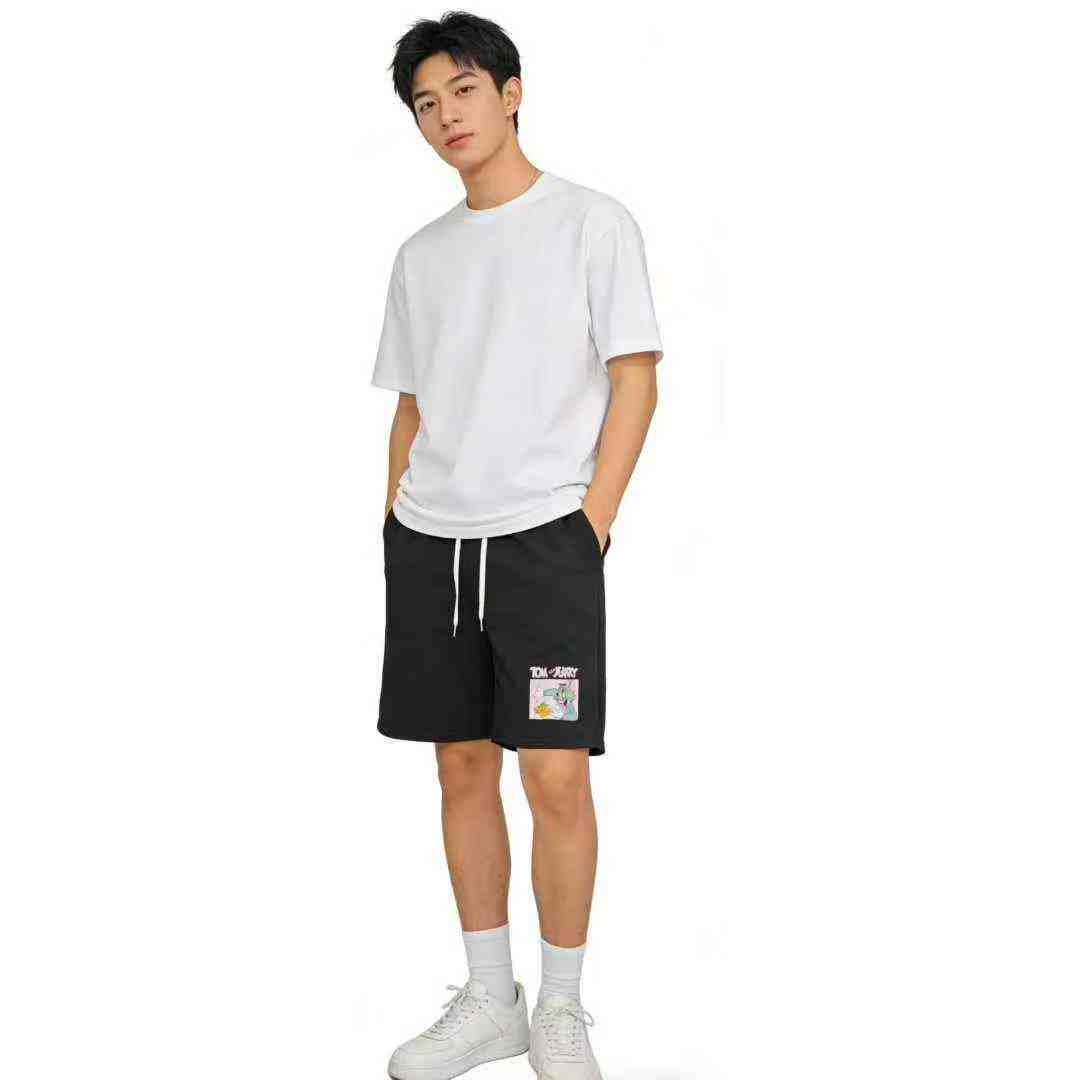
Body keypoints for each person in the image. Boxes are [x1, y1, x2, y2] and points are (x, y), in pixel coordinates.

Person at [372, 12, 663, 1079]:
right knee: (459, 766)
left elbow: (635, 376)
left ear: (510, 91)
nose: (445, 115)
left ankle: (563, 1008)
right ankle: (491, 999)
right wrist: (393, 519)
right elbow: (410, 404)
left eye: (462, 90)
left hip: (545, 544)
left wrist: (592, 523)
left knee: (555, 776)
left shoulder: (591, 223)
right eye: (425, 103)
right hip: (432, 544)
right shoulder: (421, 256)